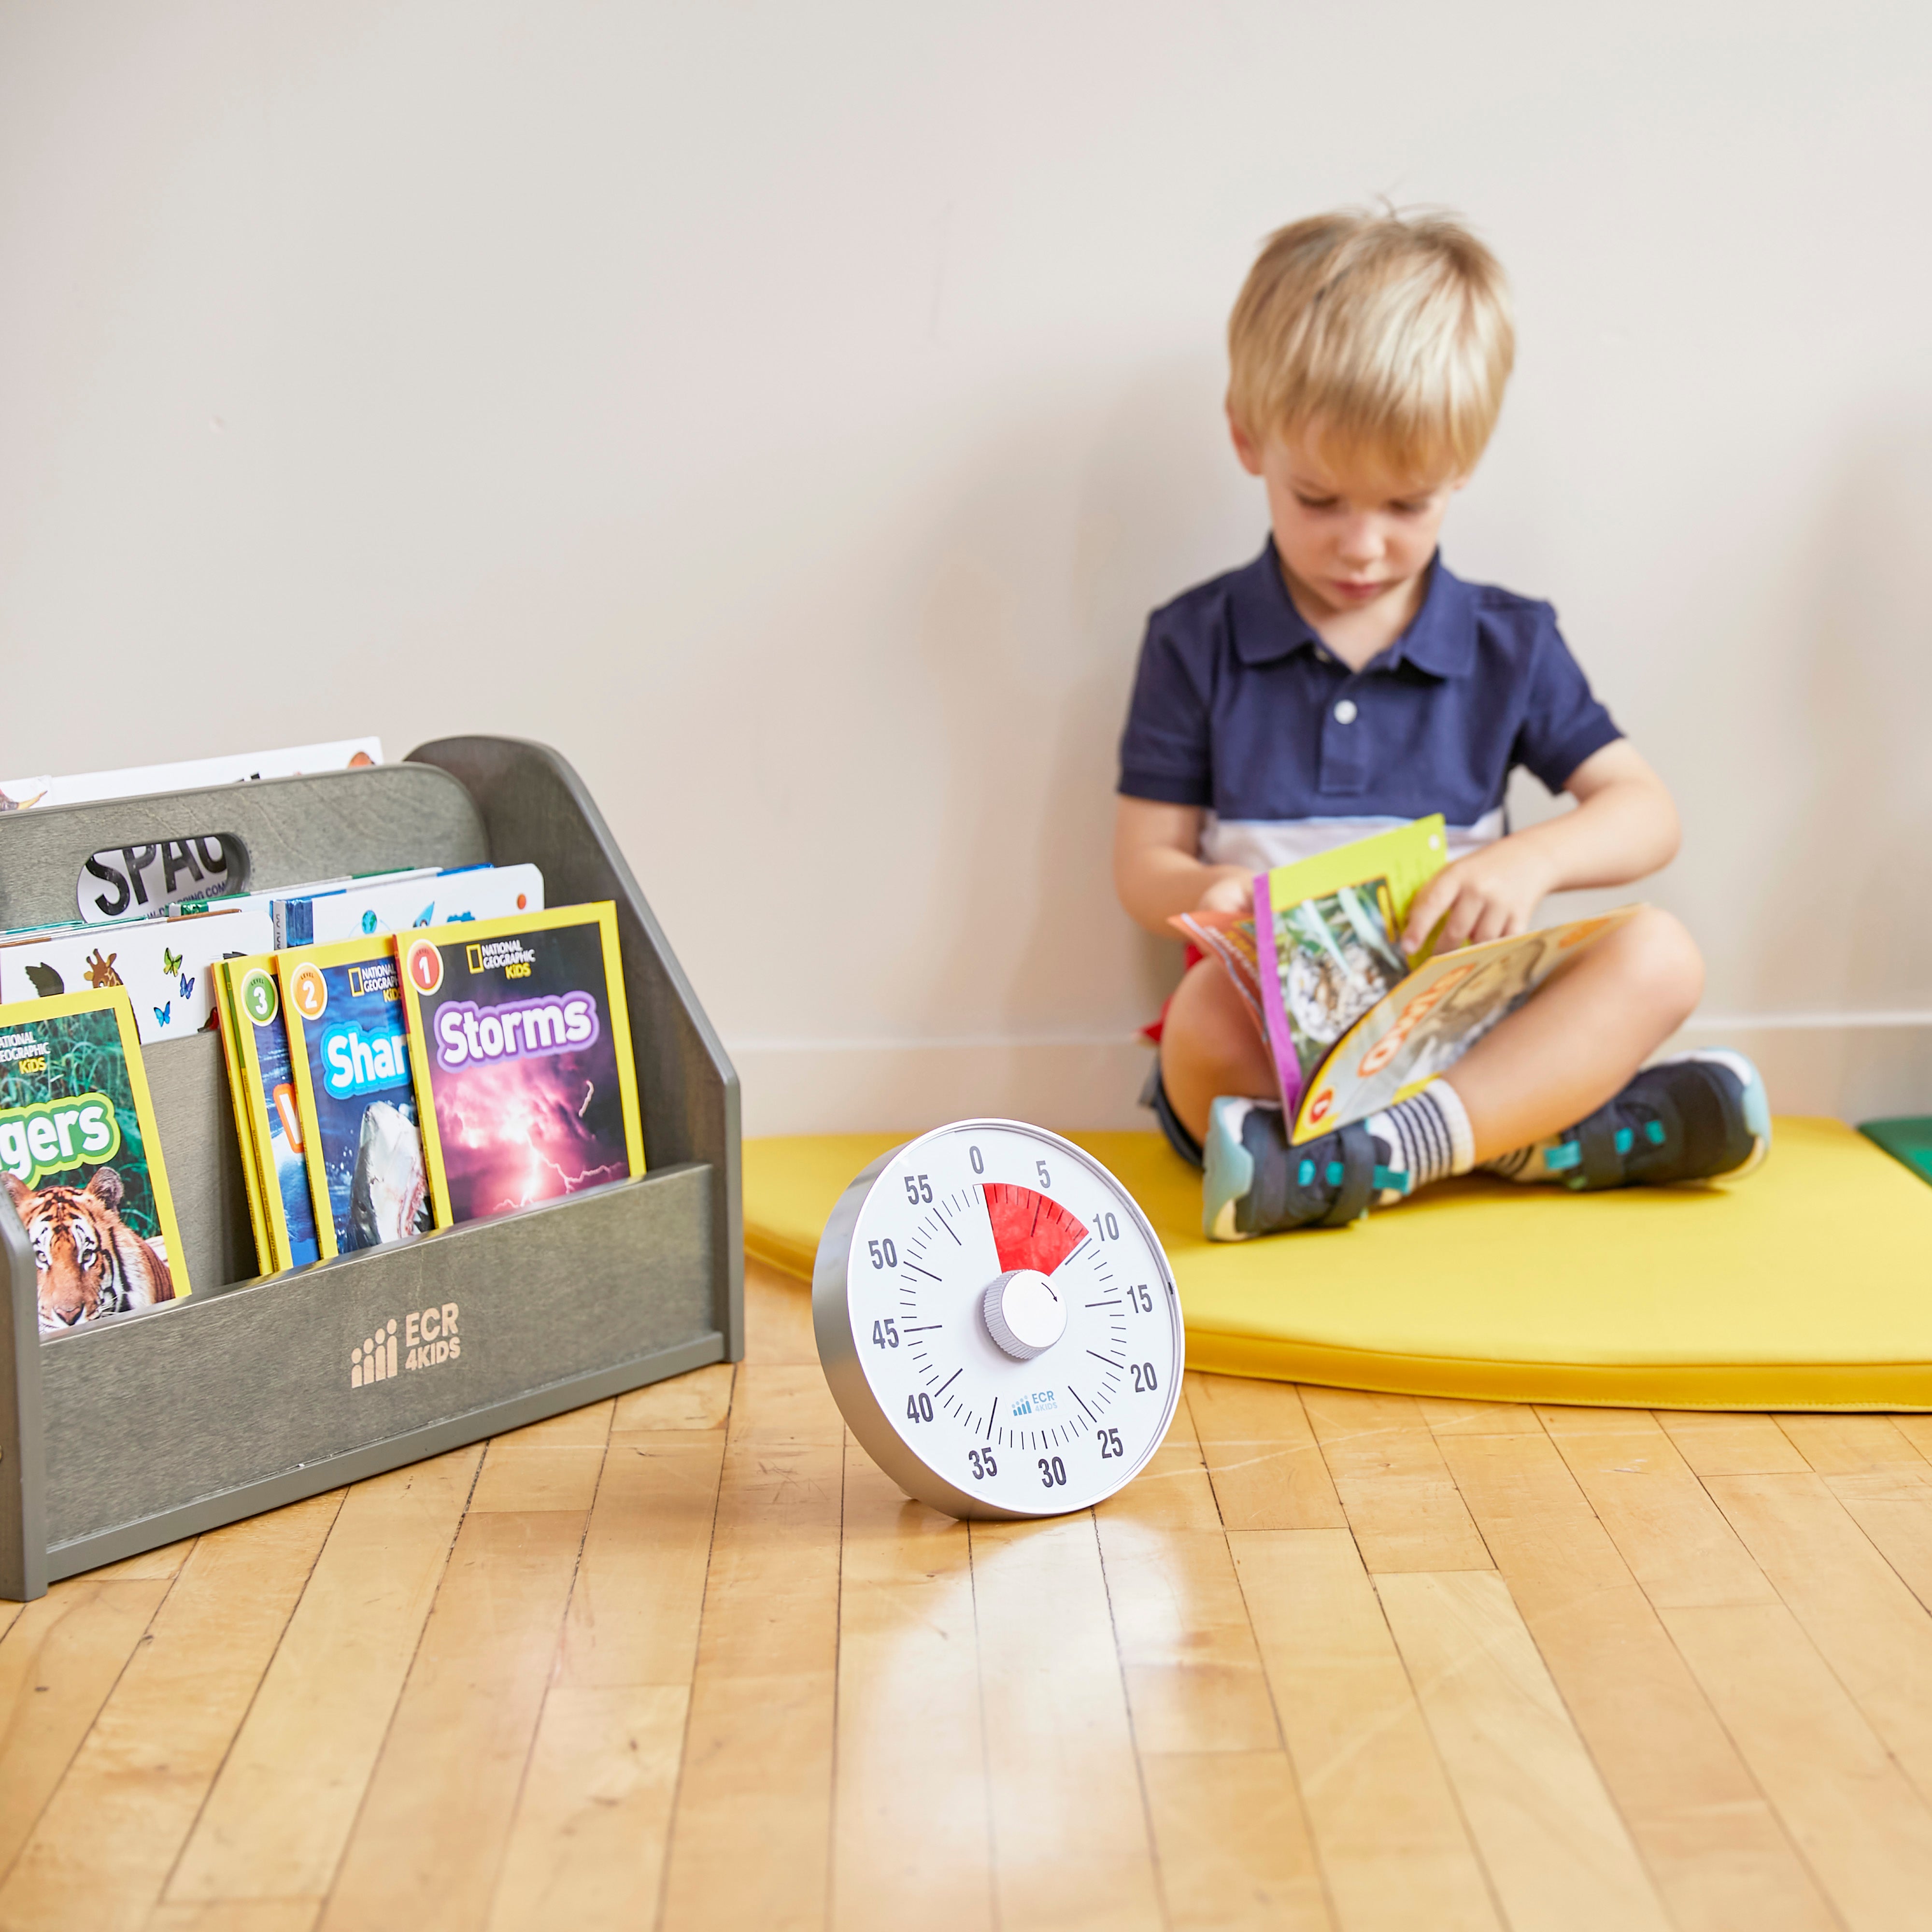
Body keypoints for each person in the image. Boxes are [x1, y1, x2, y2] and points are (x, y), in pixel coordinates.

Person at [1113, 209, 1769, 1240]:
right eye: (1319, 497)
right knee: (1198, 1022)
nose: (1362, 545)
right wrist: (1206, 896)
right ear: (1247, 437)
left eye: (1407, 505)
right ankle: (1526, 1137)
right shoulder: (1194, 640)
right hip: (1282, 1047)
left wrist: (1528, 865)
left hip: (1462, 1025)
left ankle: (1377, 1159)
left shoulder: (1506, 641)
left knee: (1662, 954)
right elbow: (1140, 863)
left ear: (1463, 465)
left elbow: (1643, 812)